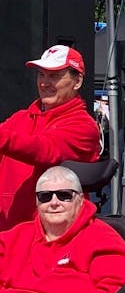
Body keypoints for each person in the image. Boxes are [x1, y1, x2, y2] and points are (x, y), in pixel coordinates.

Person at [0, 45, 100, 231]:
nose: (44, 83)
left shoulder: (84, 126)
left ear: (77, 81)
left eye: (54, 76)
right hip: (8, 237)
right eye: (41, 75)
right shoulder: (20, 118)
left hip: (54, 239)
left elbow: (45, 149)